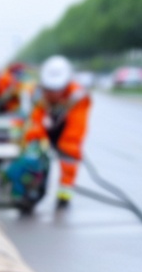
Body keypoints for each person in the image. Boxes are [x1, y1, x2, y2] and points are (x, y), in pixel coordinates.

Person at [23, 54, 92, 208]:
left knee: (69, 153)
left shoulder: (78, 97)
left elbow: (76, 128)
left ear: (66, 84)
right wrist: (36, 141)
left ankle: (64, 194)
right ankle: (32, 187)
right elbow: (36, 120)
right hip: (47, 126)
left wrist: (64, 146)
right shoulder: (38, 94)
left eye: (57, 89)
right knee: (33, 151)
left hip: (66, 129)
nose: (53, 93)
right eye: (49, 89)